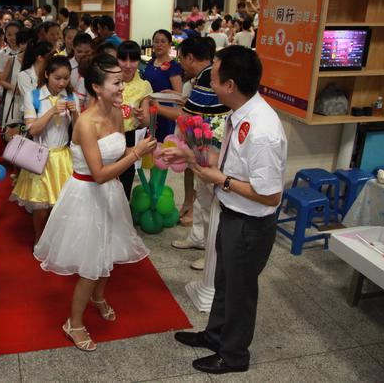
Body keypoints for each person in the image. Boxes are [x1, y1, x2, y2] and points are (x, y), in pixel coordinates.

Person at [166, 46, 287, 374]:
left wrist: (222, 180)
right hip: (233, 214)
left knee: (240, 291)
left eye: (214, 79)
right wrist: (190, 156)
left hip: (249, 224)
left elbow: (270, 195)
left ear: (230, 85)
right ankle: (215, 335)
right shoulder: (241, 114)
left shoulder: (262, 131)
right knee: (224, 280)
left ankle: (234, 355)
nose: (209, 85)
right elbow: (230, 161)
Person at [34, 53, 156, 352]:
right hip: (87, 194)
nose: (122, 87)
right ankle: (73, 323)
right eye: (116, 82)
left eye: (121, 81)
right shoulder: (86, 123)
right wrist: (136, 153)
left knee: (107, 252)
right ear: (97, 88)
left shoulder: (116, 112)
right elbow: (99, 173)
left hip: (110, 193)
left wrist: (142, 142)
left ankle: (98, 297)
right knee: (91, 264)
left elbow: (119, 150)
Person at [165, 37, 230, 270]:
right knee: (203, 196)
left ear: (190, 57)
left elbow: (187, 115)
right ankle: (198, 237)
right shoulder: (205, 76)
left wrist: (157, 107)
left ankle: (212, 251)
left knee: (210, 199)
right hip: (204, 144)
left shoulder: (206, 76)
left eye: (181, 59)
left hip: (213, 147)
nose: (181, 64)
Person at [11, 56, 79, 243]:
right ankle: (39, 240)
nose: (62, 83)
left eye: (66, 78)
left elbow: (79, 132)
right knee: (40, 207)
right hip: (40, 157)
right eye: (57, 78)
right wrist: (51, 111)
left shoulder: (71, 97)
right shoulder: (33, 96)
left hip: (63, 157)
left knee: (62, 206)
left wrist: (75, 113)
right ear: (47, 74)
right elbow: (32, 130)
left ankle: (58, 242)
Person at [117, 41, 152, 199]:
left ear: (139, 61)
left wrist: (141, 116)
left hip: (130, 137)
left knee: (125, 181)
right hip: (108, 134)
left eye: (133, 60)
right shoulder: (109, 80)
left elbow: (146, 122)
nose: (128, 65)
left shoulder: (144, 86)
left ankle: (123, 209)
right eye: (123, 59)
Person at [140, 29, 183, 142]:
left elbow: (179, 94)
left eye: (163, 41)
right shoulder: (150, 62)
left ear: (169, 45)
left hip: (164, 111)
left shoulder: (174, 66)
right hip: (147, 109)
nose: (159, 44)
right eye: (156, 41)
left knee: (162, 143)